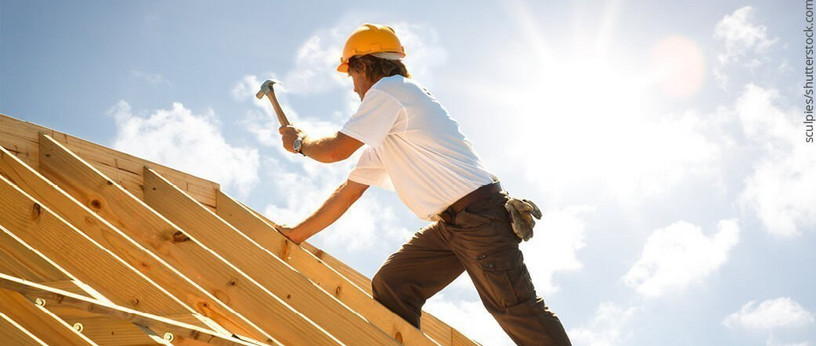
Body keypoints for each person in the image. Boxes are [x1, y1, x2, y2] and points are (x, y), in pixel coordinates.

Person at [273, 23, 571, 345]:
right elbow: (348, 193)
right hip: (452, 225)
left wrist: (299, 143)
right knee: (394, 284)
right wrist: (295, 235)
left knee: (514, 308)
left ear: (364, 65)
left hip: (479, 217)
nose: (355, 88)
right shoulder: (388, 130)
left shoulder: (390, 92)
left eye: (352, 76)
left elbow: (333, 151)